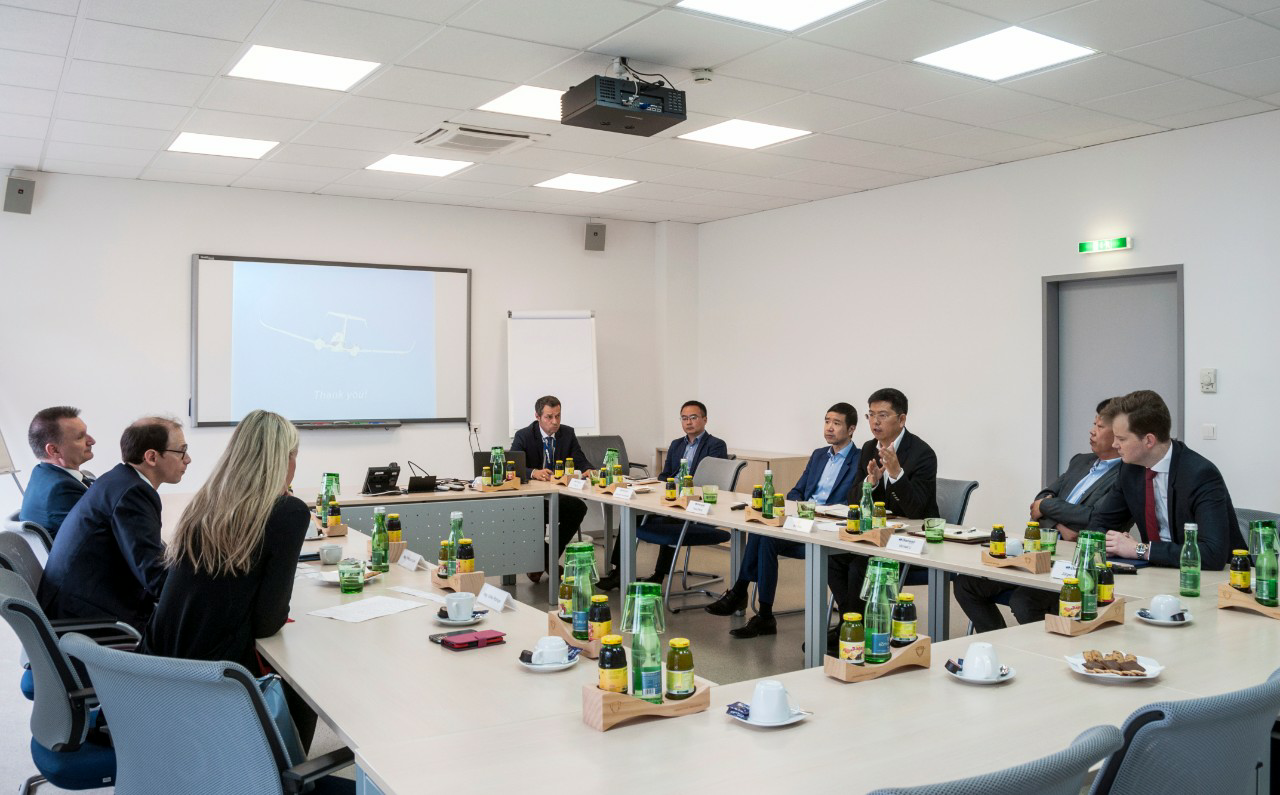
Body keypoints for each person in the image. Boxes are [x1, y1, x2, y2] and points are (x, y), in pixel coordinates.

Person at [140, 410, 316, 749]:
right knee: (306, 678)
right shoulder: (287, 511)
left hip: (161, 669)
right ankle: (284, 771)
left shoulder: (205, 503)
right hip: (219, 679)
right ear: (285, 459)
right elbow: (267, 622)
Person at [954, 399, 1123, 633]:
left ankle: (1047, 649)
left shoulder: (1124, 474)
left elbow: (1092, 518)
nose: (1092, 431)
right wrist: (1058, 524)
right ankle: (997, 642)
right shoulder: (1081, 461)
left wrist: (1047, 508)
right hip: (1040, 554)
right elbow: (1040, 500)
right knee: (966, 584)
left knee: (1024, 601)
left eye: (1100, 427)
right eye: (1093, 424)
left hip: (1074, 567)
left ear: (1118, 434)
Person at [704, 403, 862, 638]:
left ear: (851, 429)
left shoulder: (860, 459)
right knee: (762, 530)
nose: (829, 428)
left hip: (827, 529)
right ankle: (762, 613)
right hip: (802, 522)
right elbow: (796, 491)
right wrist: (797, 508)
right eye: (827, 421)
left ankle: (743, 595)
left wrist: (818, 512)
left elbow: (853, 502)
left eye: (836, 423)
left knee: (765, 535)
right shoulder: (819, 455)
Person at [38, 417, 189, 630]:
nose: (188, 459)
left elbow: (148, 557)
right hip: (90, 619)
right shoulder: (134, 493)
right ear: (152, 457)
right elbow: (155, 577)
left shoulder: (119, 480)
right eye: (181, 451)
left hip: (82, 605)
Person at [1089, 390, 1242, 569]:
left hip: (1214, 577)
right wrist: (1109, 544)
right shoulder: (1130, 470)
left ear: (1149, 440)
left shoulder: (1200, 474)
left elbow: (1212, 554)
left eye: (1121, 438)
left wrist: (1139, 549)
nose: (1115, 444)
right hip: (1156, 572)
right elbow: (1099, 524)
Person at [828, 388, 938, 624]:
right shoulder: (869, 448)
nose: (875, 422)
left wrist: (897, 475)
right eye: (871, 415)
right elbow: (853, 500)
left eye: (883, 415)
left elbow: (916, 511)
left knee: (861, 565)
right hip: (875, 537)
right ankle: (852, 622)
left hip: (912, 542)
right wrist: (871, 483)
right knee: (832, 557)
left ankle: (854, 628)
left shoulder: (922, 454)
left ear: (901, 419)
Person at [597, 400, 727, 590]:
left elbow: (709, 480)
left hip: (694, 504)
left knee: (670, 520)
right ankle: (619, 573)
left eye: (693, 417)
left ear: (705, 419)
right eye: (684, 418)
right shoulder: (676, 444)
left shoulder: (716, 445)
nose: (688, 422)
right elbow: (665, 475)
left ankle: (659, 574)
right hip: (670, 498)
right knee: (629, 516)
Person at [510, 395, 592, 582]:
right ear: (537, 416)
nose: (554, 422)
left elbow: (580, 459)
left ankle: (545, 558)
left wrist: (589, 469)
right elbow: (513, 466)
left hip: (557, 494)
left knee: (578, 508)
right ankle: (545, 561)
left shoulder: (567, 433)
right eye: (549, 417)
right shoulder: (524, 435)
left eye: (558, 416)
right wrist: (533, 472)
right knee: (533, 512)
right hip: (533, 496)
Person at [20, 406, 97, 537]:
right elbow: (100, 535)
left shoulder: (42, 473)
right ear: (54, 450)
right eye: (80, 437)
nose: (91, 441)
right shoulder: (60, 490)